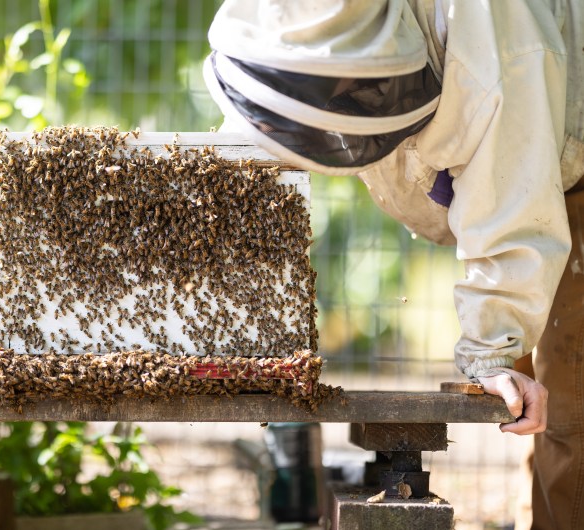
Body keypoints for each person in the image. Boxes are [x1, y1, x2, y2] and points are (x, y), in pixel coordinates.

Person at [202, 1, 584, 528]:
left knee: (568, 416)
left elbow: (515, 193)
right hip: (513, 173)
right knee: (521, 408)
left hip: (564, 166)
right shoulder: (302, 24)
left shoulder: (492, 29)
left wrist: (492, 349)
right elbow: (272, 105)